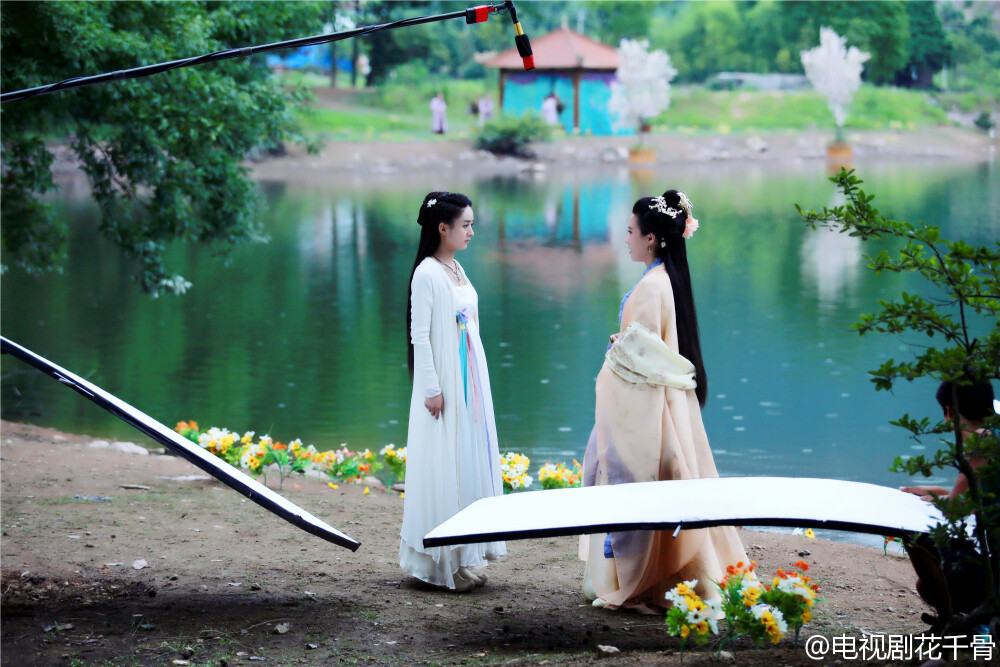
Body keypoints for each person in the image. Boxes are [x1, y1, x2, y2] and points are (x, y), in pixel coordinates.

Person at [579, 189, 748, 612]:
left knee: (635, 481)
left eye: (631, 232)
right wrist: (627, 343)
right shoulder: (661, 279)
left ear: (651, 238)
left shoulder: (653, 285)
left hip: (647, 409)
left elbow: (646, 355)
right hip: (658, 404)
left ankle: (646, 583)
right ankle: (657, 581)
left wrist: (620, 347)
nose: (626, 239)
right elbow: (651, 347)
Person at [400, 191, 506, 592]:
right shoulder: (427, 273)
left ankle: (461, 557)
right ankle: (438, 561)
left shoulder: (457, 269)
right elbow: (420, 336)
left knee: (464, 460)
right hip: (444, 380)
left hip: (468, 380)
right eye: (466, 225)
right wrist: (431, 387)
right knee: (442, 464)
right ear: (442, 228)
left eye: (472, 224)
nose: (472, 232)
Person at [900, 380, 998, 626]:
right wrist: (941, 493)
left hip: (994, 574)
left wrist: (940, 497)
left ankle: (949, 624)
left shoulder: (981, 441)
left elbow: (952, 514)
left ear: (949, 412)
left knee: (914, 538)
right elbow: (977, 501)